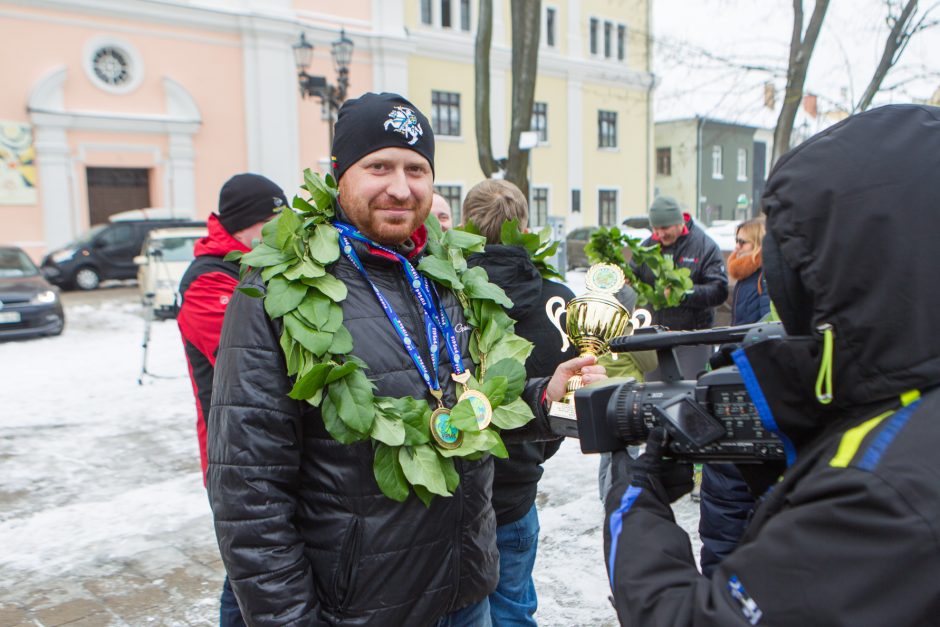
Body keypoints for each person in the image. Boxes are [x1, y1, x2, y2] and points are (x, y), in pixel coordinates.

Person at [206, 92, 605, 626]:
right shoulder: (277, 294)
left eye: (416, 168)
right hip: (361, 607)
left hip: (466, 592)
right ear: (339, 174)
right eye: (379, 166)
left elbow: (467, 409)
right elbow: (249, 493)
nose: (400, 186)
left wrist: (541, 394)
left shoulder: (449, 276)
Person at [604, 104, 940, 625]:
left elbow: (692, 618)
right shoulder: (907, 408)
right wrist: (789, 466)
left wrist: (633, 503)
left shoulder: (876, 494)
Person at [461, 179, 577, 626]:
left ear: (467, 224)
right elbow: (564, 399)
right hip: (517, 489)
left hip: (462, 491)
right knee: (511, 610)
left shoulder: (445, 290)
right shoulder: (557, 300)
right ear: (524, 225)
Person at [176, 172, 287, 627]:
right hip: (234, 454)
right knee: (248, 572)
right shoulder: (207, 282)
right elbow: (245, 358)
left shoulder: (259, 265)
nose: (284, 230)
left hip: (274, 445)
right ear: (248, 225)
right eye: (274, 220)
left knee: (267, 566)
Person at [698, 216, 769, 577]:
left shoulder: (764, 280)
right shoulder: (742, 278)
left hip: (754, 388)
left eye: (743, 242)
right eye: (736, 241)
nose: (736, 247)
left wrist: (729, 356)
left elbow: (762, 334)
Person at [633, 196, 728, 381]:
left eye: (665, 228)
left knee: (689, 396)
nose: (660, 234)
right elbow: (634, 275)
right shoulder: (647, 246)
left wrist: (684, 295)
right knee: (653, 396)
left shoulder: (704, 246)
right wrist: (628, 281)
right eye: (655, 229)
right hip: (654, 338)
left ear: (679, 222)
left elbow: (719, 290)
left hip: (692, 338)